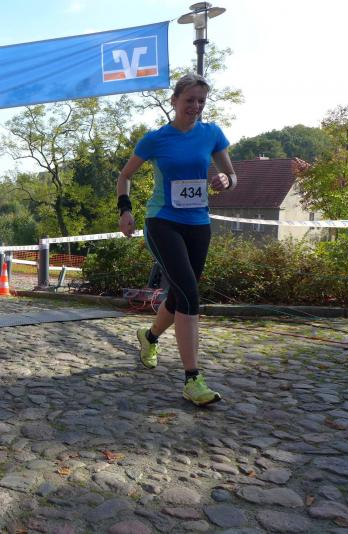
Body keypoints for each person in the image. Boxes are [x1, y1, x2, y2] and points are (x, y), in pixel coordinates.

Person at [116, 73, 238, 407]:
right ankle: (192, 379)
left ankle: (149, 336)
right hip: (162, 221)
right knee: (189, 295)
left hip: (198, 223)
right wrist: (125, 210)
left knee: (181, 294)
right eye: (189, 100)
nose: (195, 107)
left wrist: (226, 181)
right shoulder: (156, 139)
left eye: (201, 101)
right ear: (174, 101)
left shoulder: (212, 134)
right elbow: (125, 176)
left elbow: (232, 175)